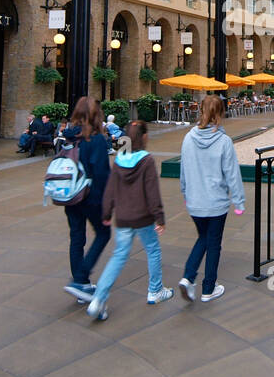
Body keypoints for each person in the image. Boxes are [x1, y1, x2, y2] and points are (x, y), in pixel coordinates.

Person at [86, 121, 172, 321]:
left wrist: (106, 214)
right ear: (143, 137)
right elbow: (152, 192)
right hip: (143, 217)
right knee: (152, 249)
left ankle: (98, 299)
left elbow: (110, 189)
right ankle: (155, 290)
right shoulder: (147, 161)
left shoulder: (119, 159)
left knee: (118, 256)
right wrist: (159, 217)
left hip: (123, 217)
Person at [178, 94, 245, 302]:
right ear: (221, 113)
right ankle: (207, 288)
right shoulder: (224, 142)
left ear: (201, 111)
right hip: (216, 203)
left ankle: (189, 278)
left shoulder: (188, 138)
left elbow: (184, 169)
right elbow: (232, 173)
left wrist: (185, 192)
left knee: (203, 238)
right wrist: (239, 201)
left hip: (195, 201)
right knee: (213, 243)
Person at [61, 96, 113, 303]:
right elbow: (101, 175)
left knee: (76, 237)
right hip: (90, 196)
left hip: (70, 195)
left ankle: (80, 285)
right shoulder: (96, 139)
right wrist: (107, 205)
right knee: (103, 233)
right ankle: (80, 279)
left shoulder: (69, 137)